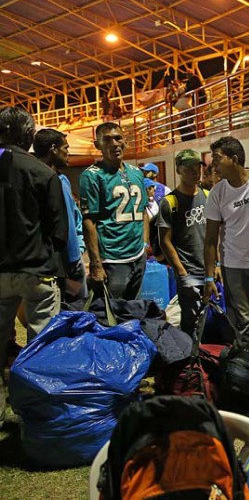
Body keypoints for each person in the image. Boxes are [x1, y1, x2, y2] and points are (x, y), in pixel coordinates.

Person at [0, 107, 68, 424]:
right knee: (41, 346)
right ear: (29, 136)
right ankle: (38, 413)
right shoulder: (43, 173)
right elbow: (58, 231)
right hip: (37, 270)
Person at [203, 136, 249, 334]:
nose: (214, 164)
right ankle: (246, 362)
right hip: (233, 267)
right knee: (241, 325)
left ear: (234, 159)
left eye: (217, 158)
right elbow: (210, 239)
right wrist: (209, 278)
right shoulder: (217, 193)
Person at [80, 122, 149, 300]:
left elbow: (143, 211)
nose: (114, 143)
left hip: (137, 255)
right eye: (107, 139)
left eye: (118, 138)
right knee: (110, 314)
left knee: (132, 310)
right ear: (98, 145)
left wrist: (145, 244)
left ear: (125, 141)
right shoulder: (92, 176)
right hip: (112, 258)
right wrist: (96, 263)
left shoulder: (136, 172)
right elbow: (89, 221)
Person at [31, 128, 86, 301]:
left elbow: (74, 216)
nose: (68, 154)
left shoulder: (63, 179)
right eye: (65, 148)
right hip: (54, 265)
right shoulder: (37, 181)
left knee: (79, 310)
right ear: (53, 148)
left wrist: (79, 245)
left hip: (74, 260)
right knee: (60, 314)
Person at [158, 149, 208, 334]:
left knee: (210, 316)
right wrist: (181, 270)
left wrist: (216, 264)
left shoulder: (208, 196)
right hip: (188, 270)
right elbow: (165, 241)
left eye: (197, 167)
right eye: (189, 169)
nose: (195, 172)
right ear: (178, 170)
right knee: (190, 318)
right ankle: (190, 356)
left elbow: (214, 235)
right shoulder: (170, 202)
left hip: (209, 269)